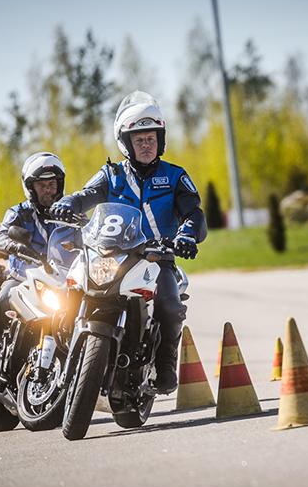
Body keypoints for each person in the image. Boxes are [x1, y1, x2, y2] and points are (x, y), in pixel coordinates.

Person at [50, 91, 206, 394]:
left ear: (160, 140)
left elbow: (194, 214)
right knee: (70, 287)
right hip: (110, 254)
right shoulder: (111, 174)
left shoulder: (175, 176)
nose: (146, 145)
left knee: (170, 306)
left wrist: (186, 235)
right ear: (126, 143)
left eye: (151, 138)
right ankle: (62, 349)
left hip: (155, 259)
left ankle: (164, 363)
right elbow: (86, 195)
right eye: (139, 140)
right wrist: (68, 203)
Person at [0, 152, 67, 385]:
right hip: (22, 279)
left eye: (52, 184)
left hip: (60, 281)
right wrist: (14, 245)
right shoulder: (19, 213)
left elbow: (89, 236)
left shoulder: (69, 212)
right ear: (30, 188)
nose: (48, 190)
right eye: (42, 185)